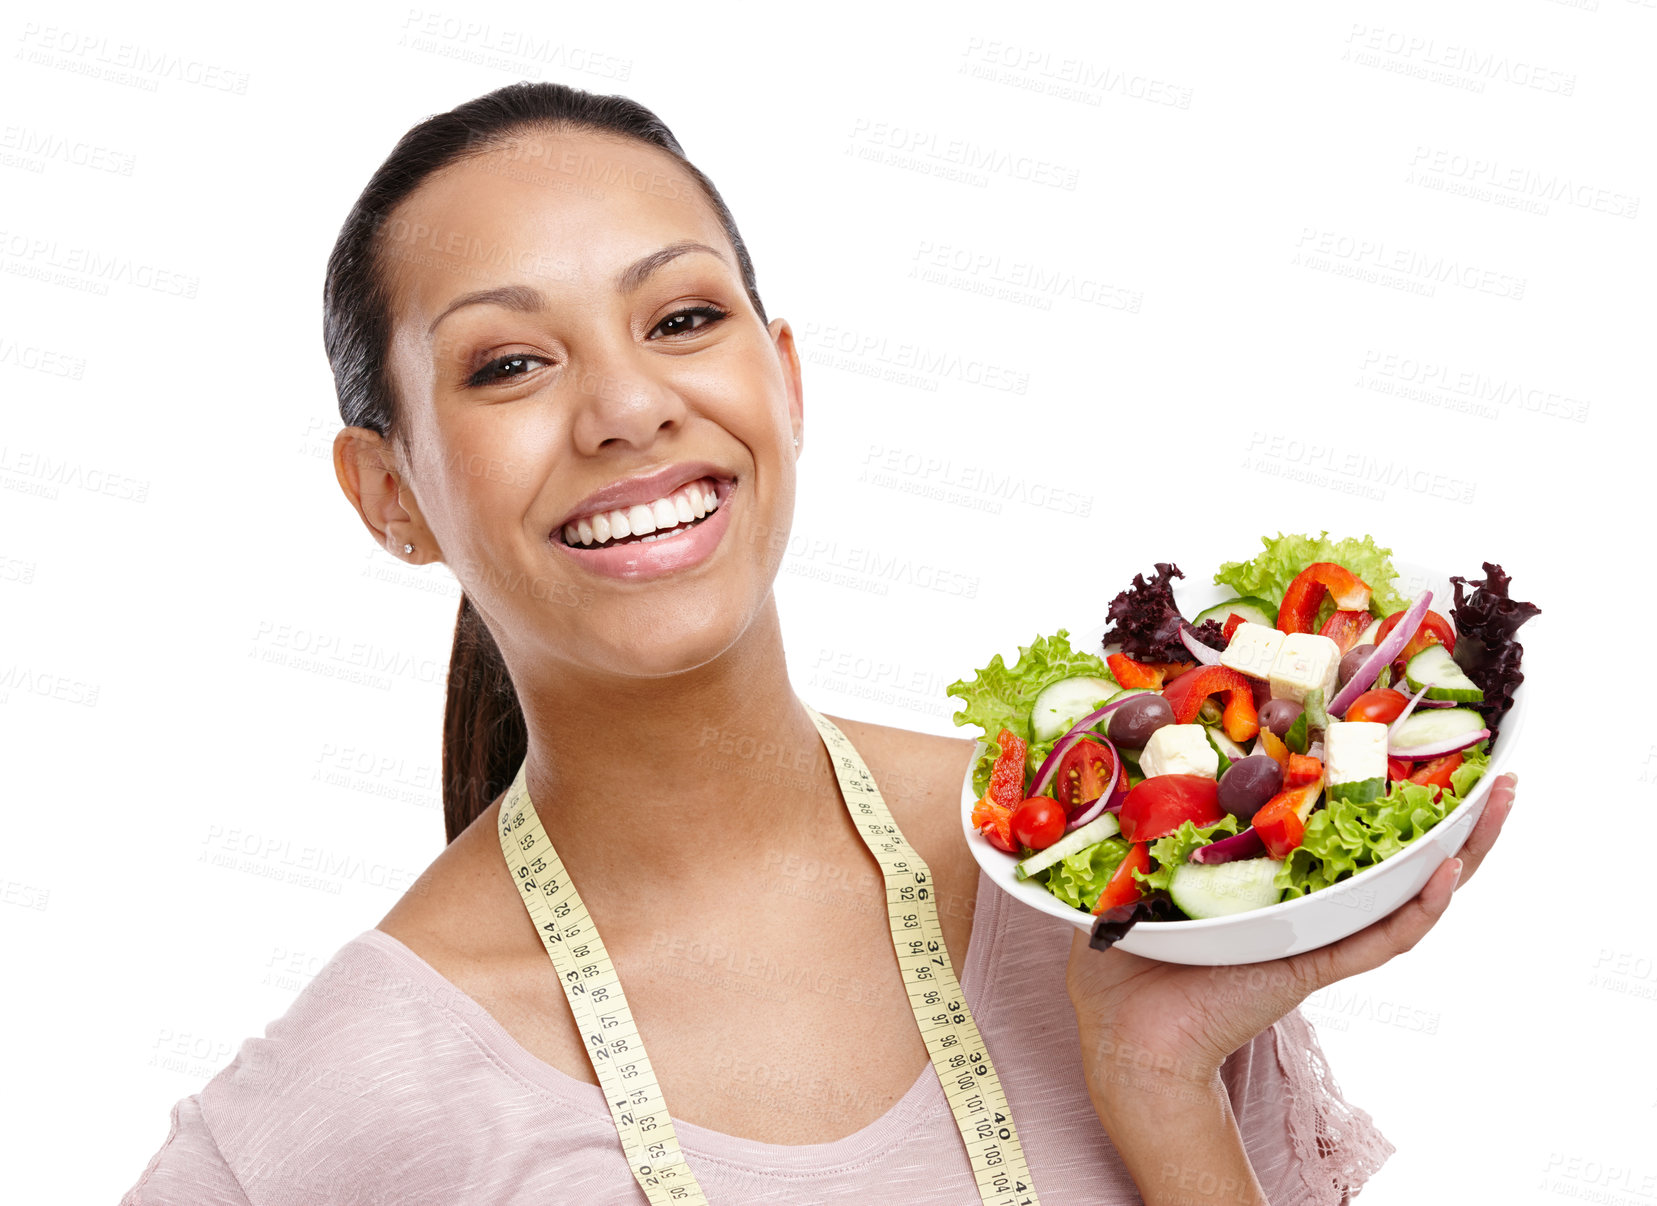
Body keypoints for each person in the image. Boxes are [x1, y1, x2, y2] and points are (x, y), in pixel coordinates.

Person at [120, 80, 1516, 1206]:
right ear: (388, 495)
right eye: (508, 364)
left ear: (781, 381)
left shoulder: (1089, 867)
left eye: (679, 318)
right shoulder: (347, 1106)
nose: (625, 406)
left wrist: (1155, 1087)